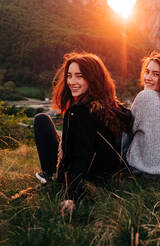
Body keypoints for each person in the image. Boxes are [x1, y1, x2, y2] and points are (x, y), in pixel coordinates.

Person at [33, 52, 132, 215]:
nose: (72, 82)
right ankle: (49, 174)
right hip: (108, 175)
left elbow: (82, 156)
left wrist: (70, 195)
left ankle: (49, 175)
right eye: (69, 76)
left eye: (79, 76)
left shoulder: (79, 113)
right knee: (45, 122)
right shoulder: (114, 107)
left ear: (92, 78)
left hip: (86, 178)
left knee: (41, 121)